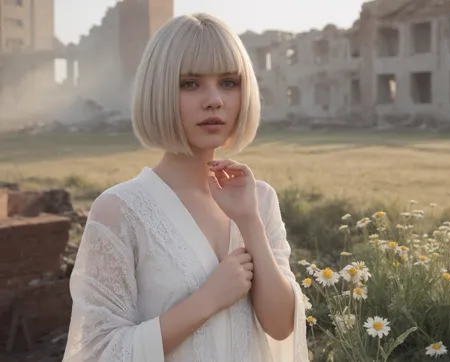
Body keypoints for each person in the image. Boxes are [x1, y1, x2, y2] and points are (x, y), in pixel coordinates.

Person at [62, 13, 309, 362]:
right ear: (158, 90)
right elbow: (99, 351)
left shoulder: (260, 199)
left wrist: (250, 222)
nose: (214, 100)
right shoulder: (119, 209)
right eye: (190, 83)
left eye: (228, 82)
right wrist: (208, 299)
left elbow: (282, 326)